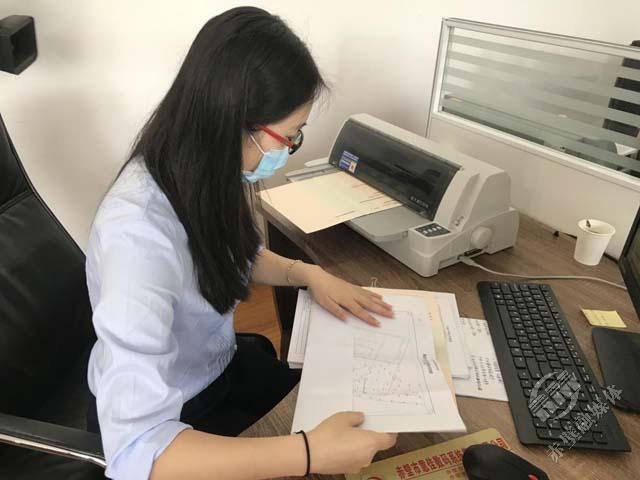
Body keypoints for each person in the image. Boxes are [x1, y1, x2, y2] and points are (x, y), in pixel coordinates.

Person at [85, 6, 397, 480]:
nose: (289, 150)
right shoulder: (137, 236)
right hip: (179, 421)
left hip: (220, 371)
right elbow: (136, 453)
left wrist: (307, 274)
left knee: (359, 415)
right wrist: (308, 454)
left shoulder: (198, 169)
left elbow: (231, 254)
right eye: (288, 137)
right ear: (232, 121)